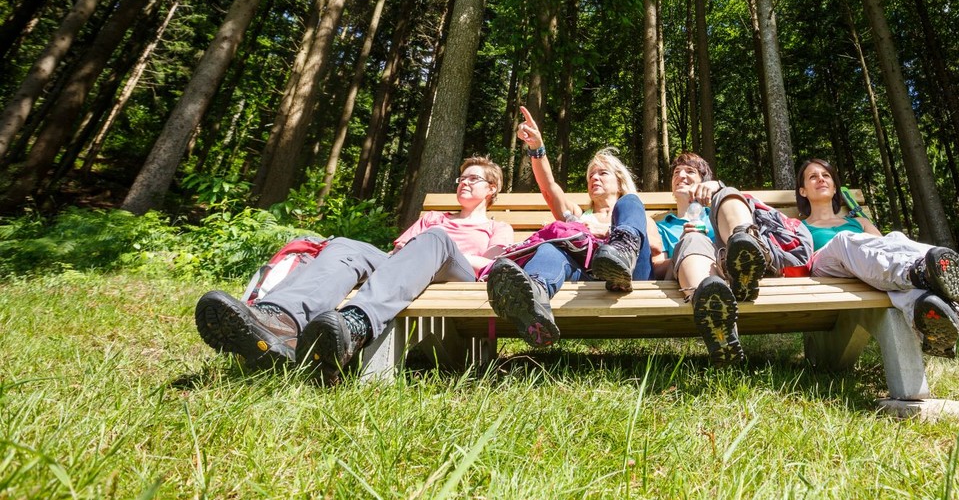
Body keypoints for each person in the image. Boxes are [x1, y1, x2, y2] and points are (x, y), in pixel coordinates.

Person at [195, 156, 513, 383]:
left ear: (492, 188)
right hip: (410, 266)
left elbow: (491, 264)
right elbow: (398, 253)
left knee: (435, 239)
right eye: (462, 178)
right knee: (347, 245)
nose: (464, 182)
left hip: (455, 276)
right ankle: (280, 321)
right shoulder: (433, 218)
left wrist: (436, 246)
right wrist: (414, 250)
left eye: (473, 178)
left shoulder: (497, 227)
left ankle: (356, 325)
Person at [486, 106, 656, 347]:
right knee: (549, 249)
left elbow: (656, 252)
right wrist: (537, 147)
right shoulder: (578, 216)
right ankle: (534, 298)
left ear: (619, 181)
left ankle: (621, 254)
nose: (594, 178)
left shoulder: (634, 211)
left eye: (602, 173)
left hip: (634, 276)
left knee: (630, 201)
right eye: (591, 175)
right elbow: (549, 189)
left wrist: (609, 234)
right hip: (591, 277)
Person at [798, 157, 959, 357]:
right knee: (843, 239)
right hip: (826, 268)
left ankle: (939, 326)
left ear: (834, 189)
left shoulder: (860, 222)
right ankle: (925, 273)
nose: (821, 179)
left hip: (867, 271)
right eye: (813, 177)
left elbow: (885, 250)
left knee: (895, 238)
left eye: (826, 175)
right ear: (803, 191)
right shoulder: (799, 227)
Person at [650, 152, 790, 365]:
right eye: (676, 172)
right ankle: (716, 311)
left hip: (728, 265)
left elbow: (733, 202)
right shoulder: (662, 225)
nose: (681, 175)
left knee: (728, 193)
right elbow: (657, 268)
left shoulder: (718, 213)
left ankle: (741, 262)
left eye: (690, 171)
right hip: (688, 276)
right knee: (693, 239)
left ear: (703, 181)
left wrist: (719, 187)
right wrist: (684, 245)